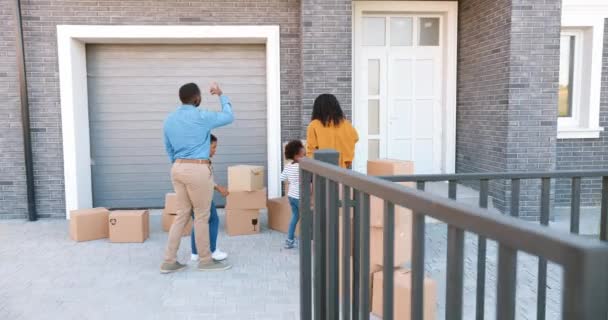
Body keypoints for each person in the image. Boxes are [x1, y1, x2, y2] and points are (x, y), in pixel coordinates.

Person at [161, 82, 233, 273]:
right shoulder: (202, 116)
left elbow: (168, 148)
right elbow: (228, 116)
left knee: (182, 215)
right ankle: (205, 260)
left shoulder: (169, 119)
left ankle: (169, 261)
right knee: (202, 216)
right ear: (196, 98)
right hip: (198, 169)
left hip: (177, 168)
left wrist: (179, 164)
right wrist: (221, 95)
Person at [190, 134, 229, 262]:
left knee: (198, 222)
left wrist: (218, 188)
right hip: (202, 195)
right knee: (213, 220)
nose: (215, 150)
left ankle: (195, 253)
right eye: (213, 147)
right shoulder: (202, 161)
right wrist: (219, 188)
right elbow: (205, 180)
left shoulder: (193, 158)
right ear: (205, 147)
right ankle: (212, 251)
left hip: (192, 194)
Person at [306, 93, 359, 168]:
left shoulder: (314, 125)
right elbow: (355, 138)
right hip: (345, 168)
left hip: (323, 168)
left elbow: (311, 151)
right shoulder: (346, 124)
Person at [280, 140, 306, 249]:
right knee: (306, 218)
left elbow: (282, 178)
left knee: (295, 217)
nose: (305, 156)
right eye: (304, 154)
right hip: (300, 197)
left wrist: (292, 180)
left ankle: (289, 241)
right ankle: (307, 242)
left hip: (291, 196)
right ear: (296, 155)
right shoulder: (302, 166)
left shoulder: (288, 166)